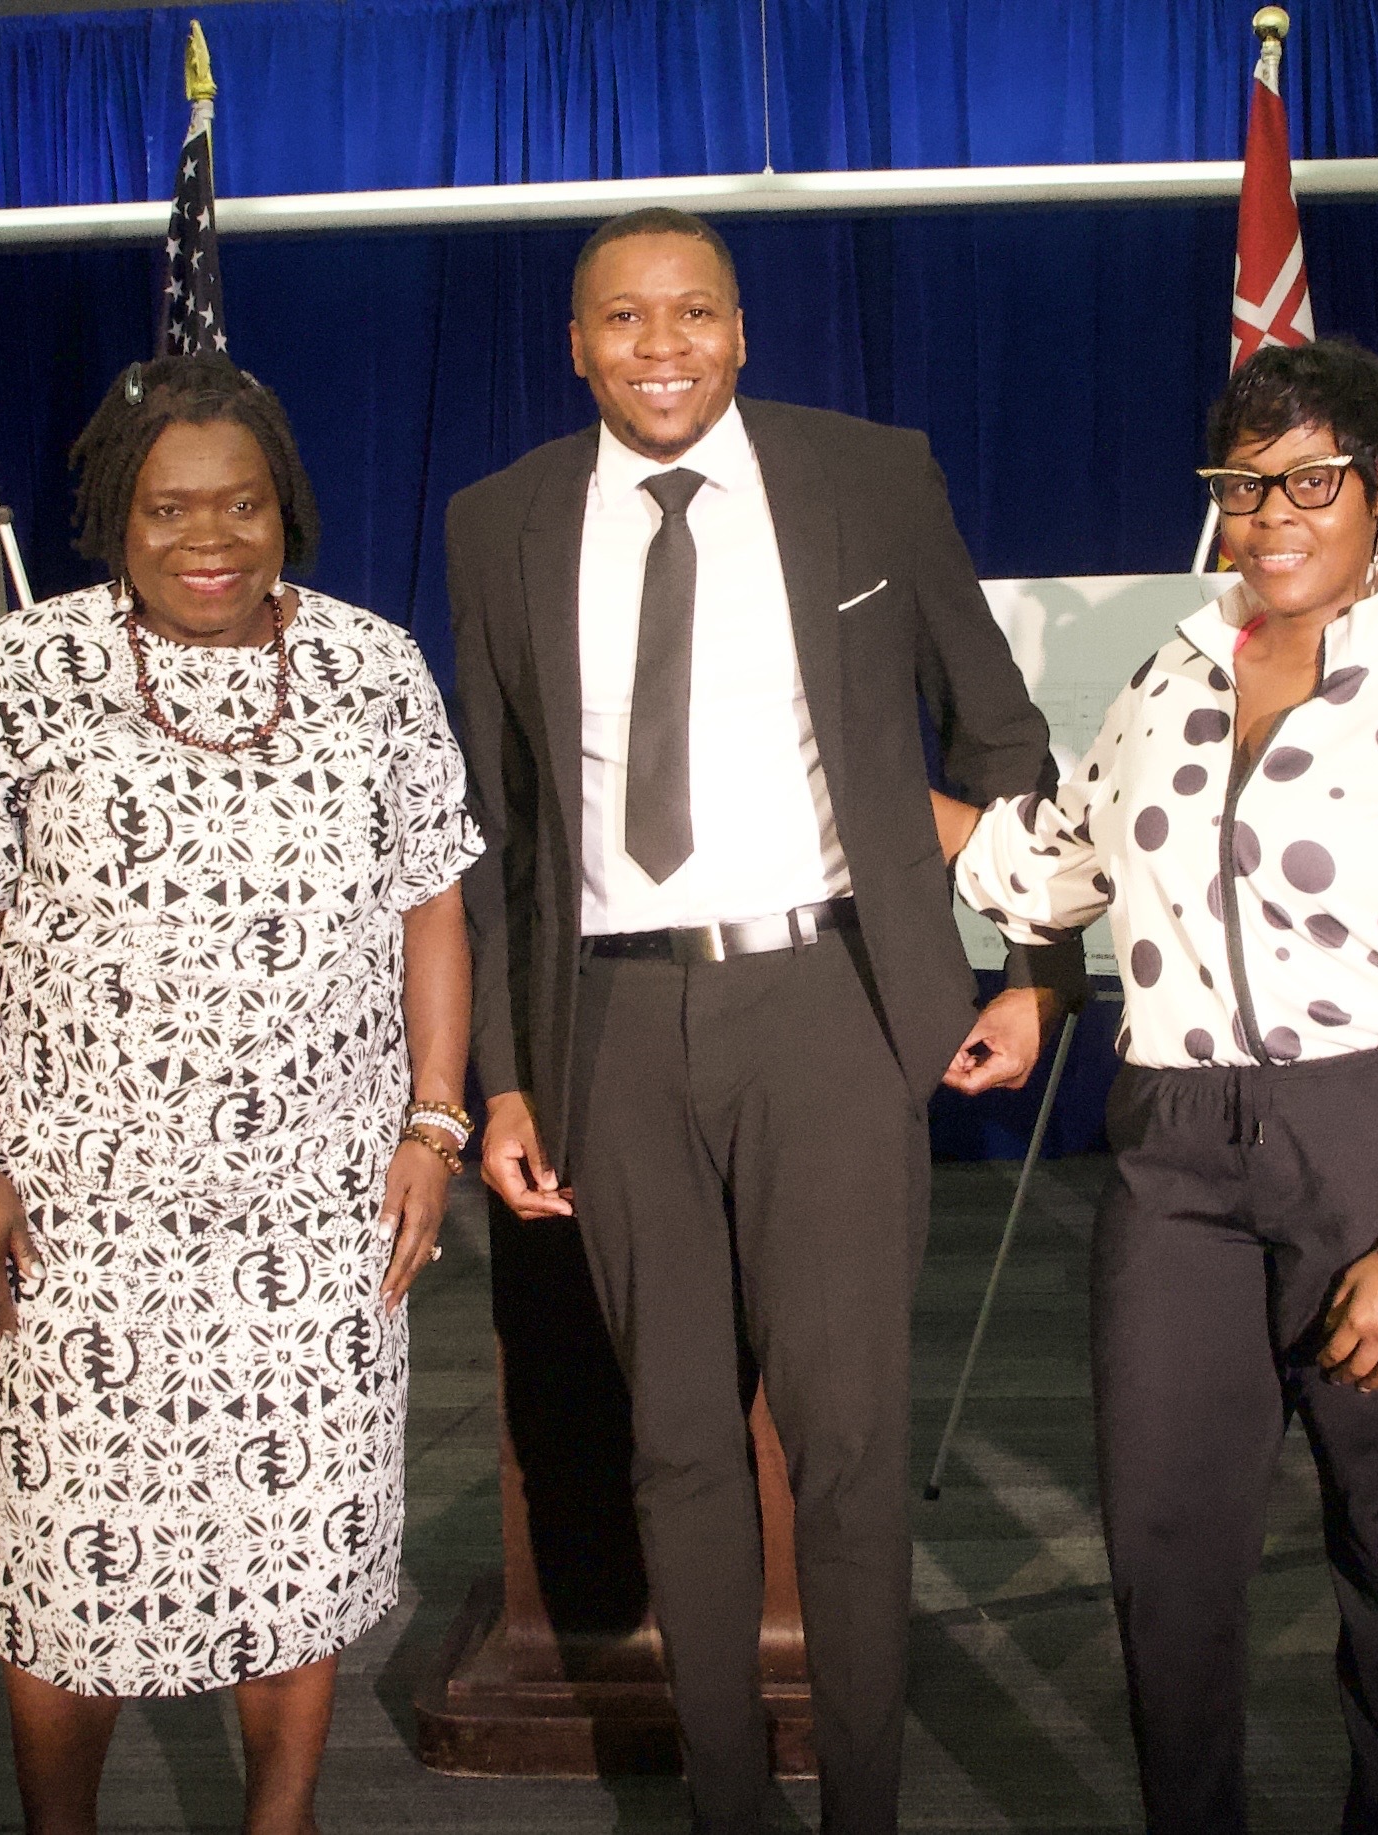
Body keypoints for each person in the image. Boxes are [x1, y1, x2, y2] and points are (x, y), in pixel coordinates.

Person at [444, 206, 1078, 1834]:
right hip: (607, 1023)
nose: (662, 346)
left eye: (694, 313)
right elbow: (501, 834)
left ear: (743, 330)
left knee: (850, 1443)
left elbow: (1004, 739)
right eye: (624, 319)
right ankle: (728, 1803)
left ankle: (857, 1805)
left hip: (829, 1010)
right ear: (574, 344)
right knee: (672, 1445)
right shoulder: (498, 519)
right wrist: (503, 1081)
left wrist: (1034, 967)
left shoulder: (868, 475)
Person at [936, 338, 1378, 1833]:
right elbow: (1062, 863)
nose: (1269, 514)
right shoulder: (1172, 675)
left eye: (1309, 481)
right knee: (1167, 1551)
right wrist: (853, 778)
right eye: (1241, 484)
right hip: (1172, 1153)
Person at [0, 353, 478, 1835]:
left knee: (295, 1545)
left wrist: (433, 1120)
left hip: (314, 1211)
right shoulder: (19, 671)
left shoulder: (375, 667)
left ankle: (277, 1820)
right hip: (75, 1218)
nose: (205, 537)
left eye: (240, 503)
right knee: (67, 1550)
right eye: (166, 508)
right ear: (114, 514)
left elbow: (432, 904)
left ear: (284, 506)